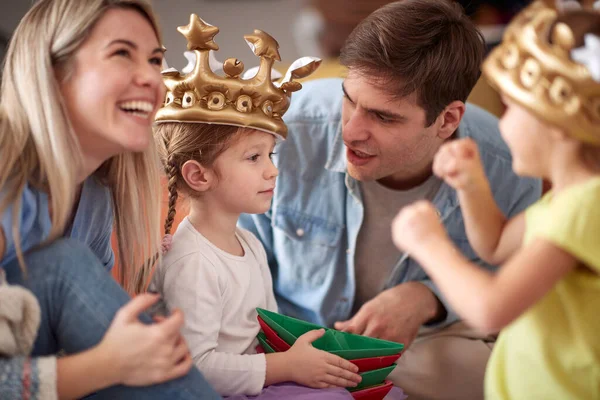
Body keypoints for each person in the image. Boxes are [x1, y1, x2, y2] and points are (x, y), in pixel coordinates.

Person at [238, 0, 542, 398]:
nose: (351, 132)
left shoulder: (508, 168)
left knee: (501, 370)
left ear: (448, 120)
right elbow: (234, 255)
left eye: (384, 117)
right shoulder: (283, 132)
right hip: (286, 338)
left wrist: (428, 298)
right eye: (349, 99)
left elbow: (516, 284)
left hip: (426, 345)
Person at [0, 0, 220, 398]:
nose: (152, 79)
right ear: (52, 73)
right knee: (62, 263)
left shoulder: (97, 198)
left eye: (155, 60)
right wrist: (108, 365)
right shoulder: (6, 180)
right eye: (122, 53)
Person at [392, 1, 600, 398]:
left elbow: (491, 309)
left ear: (557, 123)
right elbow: (496, 245)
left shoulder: (584, 207)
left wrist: (428, 244)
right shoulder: (566, 200)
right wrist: (472, 185)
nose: (502, 124)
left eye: (512, 109)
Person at [150, 14, 362, 398]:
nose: (273, 171)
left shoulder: (248, 243)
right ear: (199, 176)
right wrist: (286, 367)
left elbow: (266, 329)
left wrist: (317, 348)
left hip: (259, 375)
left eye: (270, 155)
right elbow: (196, 366)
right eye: (253, 158)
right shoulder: (192, 262)